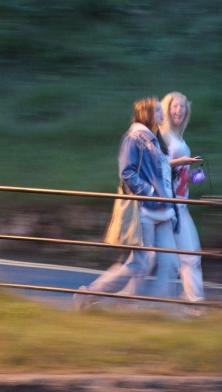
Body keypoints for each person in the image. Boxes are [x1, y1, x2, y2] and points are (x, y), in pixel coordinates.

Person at [73, 97, 180, 310]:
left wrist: (175, 178)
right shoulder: (134, 138)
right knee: (138, 263)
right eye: (158, 110)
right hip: (145, 210)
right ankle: (88, 295)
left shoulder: (154, 140)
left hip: (163, 209)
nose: (163, 113)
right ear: (147, 113)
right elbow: (127, 172)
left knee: (170, 262)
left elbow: (158, 174)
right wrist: (150, 193)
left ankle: (158, 309)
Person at [159, 91, 205, 305]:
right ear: (167, 109)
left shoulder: (178, 137)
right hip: (171, 206)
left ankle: (193, 304)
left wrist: (194, 176)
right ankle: (194, 305)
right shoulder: (162, 136)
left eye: (182, 106)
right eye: (175, 106)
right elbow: (158, 167)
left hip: (180, 204)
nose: (179, 110)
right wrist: (182, 162)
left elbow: (179, 174)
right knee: (188, 256)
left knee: (188, 257)